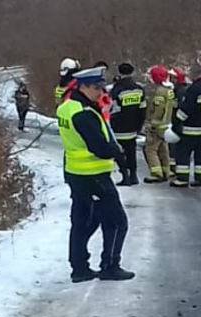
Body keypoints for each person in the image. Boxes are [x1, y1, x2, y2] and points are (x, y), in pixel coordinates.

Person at [56, 67, 135, 282]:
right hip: (94, 175)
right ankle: (110, 266)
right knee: (117, 222)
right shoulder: (84, 113)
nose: (101, 92)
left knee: (82, 222)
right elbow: (99, 147)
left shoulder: (66, 106)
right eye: (97, 88)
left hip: (75, 173)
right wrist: (117, 152)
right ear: (84, 86)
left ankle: (79, 268)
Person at [172, 63, 201, 187]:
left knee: (183, 153)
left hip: (191, 129)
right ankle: (200, 178)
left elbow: (187, 109)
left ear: (194, 75)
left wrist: (176, 121)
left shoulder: (193, 89)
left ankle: (182, 179)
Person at [109, 62, 146, 186]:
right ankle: (133, 175)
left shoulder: (117, 89)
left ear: (120, 73)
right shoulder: (139, 89)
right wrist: (139, 125)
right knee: (131, 152)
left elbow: (112, 109)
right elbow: (142, 109)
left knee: (119, 152)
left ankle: (125, 176)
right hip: (133, 126)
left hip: (119, 126)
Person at [143, 65, 176, 183]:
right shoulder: (169, 90)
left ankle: (156, 173)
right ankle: (166, 171)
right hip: (166, 125)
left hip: (157, 126)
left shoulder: (160, 92)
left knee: (150, 149)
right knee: (163, 148)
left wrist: (151, 124)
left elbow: (158, 110)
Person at [167, 67, 189, 177]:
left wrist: (178, 122)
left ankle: (175, 168)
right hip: (174, 123)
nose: (171, 80)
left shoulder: (181, 91)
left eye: (173, 78)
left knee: (177, 147)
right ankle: (172, 166)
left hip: (179, 124)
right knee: (172, 146)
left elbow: (181, 108)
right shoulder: (175, 90)